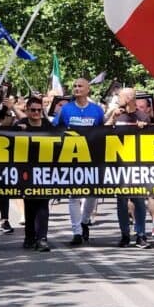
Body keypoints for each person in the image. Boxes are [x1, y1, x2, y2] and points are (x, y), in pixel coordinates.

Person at [53, 77, 105, 246]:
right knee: (74, 195)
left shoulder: (97, 110)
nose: (76, 88)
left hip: (92, 158)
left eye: (80, 86)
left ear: (88, 89)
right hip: (71, 158)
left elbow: (103, 132)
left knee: (92, 193)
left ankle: (84, 221)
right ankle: (76, 231)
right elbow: (54, 129)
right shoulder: (65, 109)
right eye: (74, 86)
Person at [106, 88, 151, 248]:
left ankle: (141, 235)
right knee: (122, 201)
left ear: (130, 98)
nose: (118, 99)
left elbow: (152, 137)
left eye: (120, 96)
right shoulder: (116, 114)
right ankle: (125, 234)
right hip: (119, 165)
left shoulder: (143, 116)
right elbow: (103, 131)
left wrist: (143, 129)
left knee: (139, 201)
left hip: (137, 165)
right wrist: (113, 117)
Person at [14, 95, 51, 251]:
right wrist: (18, 131)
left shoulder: (47, 126)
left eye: (39, 110)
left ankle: (42, 238)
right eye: (33, 110)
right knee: (29, 205)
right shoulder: (20, 124)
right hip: (26, 170)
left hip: (45, 170)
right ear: (27, 110)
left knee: (43, 205)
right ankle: (29, 237)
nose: (36, 113)